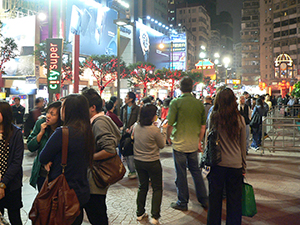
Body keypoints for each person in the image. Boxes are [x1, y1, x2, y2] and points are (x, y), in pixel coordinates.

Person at [39, 94, 95, 225]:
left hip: (62, 192)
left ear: (69, 110)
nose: (61, 110)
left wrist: (50, 160)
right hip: (81, 191)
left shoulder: (62, 132)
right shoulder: (87, 131)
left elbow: (43, 157)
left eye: (62, 107)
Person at [167, 77, 208, 211]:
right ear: (192, 87)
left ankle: (182, 202)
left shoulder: (175, 103)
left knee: (181, 173)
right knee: (196, 172)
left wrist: (168, 137)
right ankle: (204, 199)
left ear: (180, 87)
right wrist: (199, 142)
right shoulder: (199, 104)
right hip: (193, 144)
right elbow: (203, 126)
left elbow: (170, 123)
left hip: (179, 143)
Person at [206, 88, 246, 225]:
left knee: (214, 201)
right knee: (234, 202)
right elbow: (243, 146)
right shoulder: (240, 119)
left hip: (218, 164)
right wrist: (243, 166)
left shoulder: (214, 117)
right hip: (235, 165)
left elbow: (209, 140)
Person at [82, 88, 121, 225]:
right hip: (95, 179)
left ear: (92, 107)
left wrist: (88, 158)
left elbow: (109, 150)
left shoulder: (99, 123)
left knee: (97, 216)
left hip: (95, 180)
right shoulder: (99, 120)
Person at [134, 104, 165, 225]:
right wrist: (162, 131)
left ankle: (140, 213)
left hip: (138, 161)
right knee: (157, 188)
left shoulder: (136, 126)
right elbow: (162, 145)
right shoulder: (154, 130)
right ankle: (155, 216)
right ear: (152, 116)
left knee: (143, 186)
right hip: (152, 161)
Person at [27, 101, 62, 191]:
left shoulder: (64, 129)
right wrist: (41, 133)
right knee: (43, 201)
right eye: (47, 112)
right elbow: (30, 146)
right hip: (42, 173)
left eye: (52, 114)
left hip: (58, 174)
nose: (48, 116)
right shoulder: (40, 123)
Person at [0, 101, 24, 225]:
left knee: (14, 217)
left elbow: (16, 161)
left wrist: (3, 184)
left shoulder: (16, 133)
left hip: (12, 183)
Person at [121, 92, 140, 179]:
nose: (125, 98)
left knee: (132, 151)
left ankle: (133, 170)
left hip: (134, 133)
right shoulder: (123, 108)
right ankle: (131, 170)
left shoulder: (137, 109)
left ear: (131, 99)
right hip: (125, 132)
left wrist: (132, 128)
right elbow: (122, 120)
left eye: (127, 97)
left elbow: (138, 120)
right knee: (127, 150)